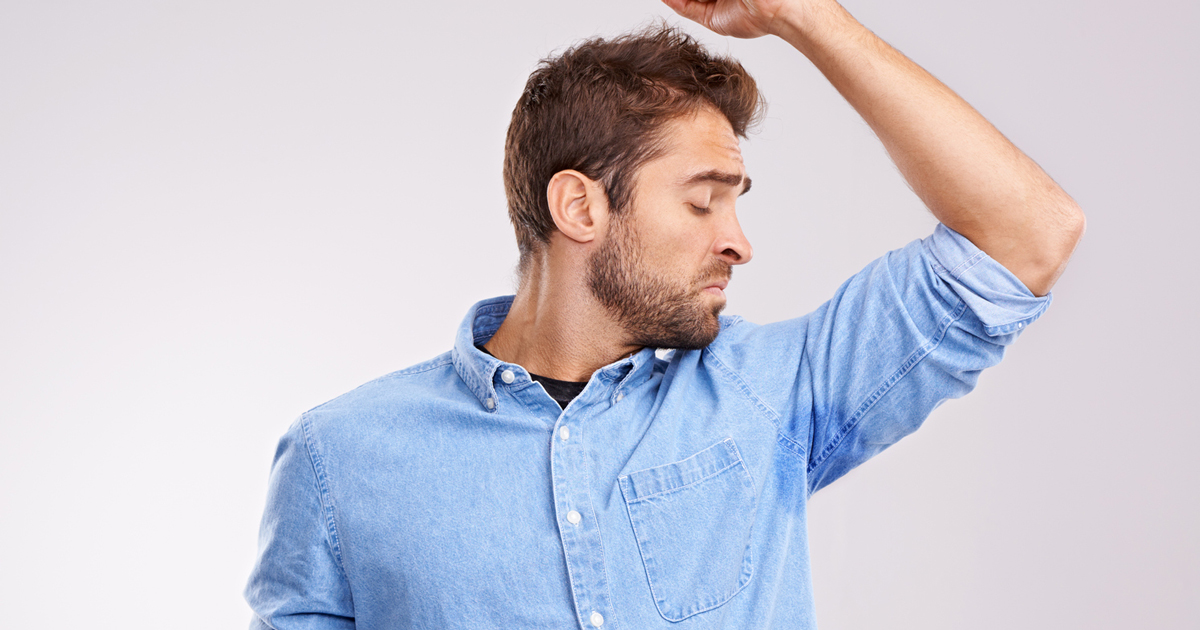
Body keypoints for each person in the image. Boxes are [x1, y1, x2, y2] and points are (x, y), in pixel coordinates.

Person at [245, 0, 1085, 627]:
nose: (739, 243)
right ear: (580, 208)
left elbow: (1029, 231)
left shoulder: (774, 393)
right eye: (701, 203)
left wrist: (806, 17)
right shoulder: (340, 458)